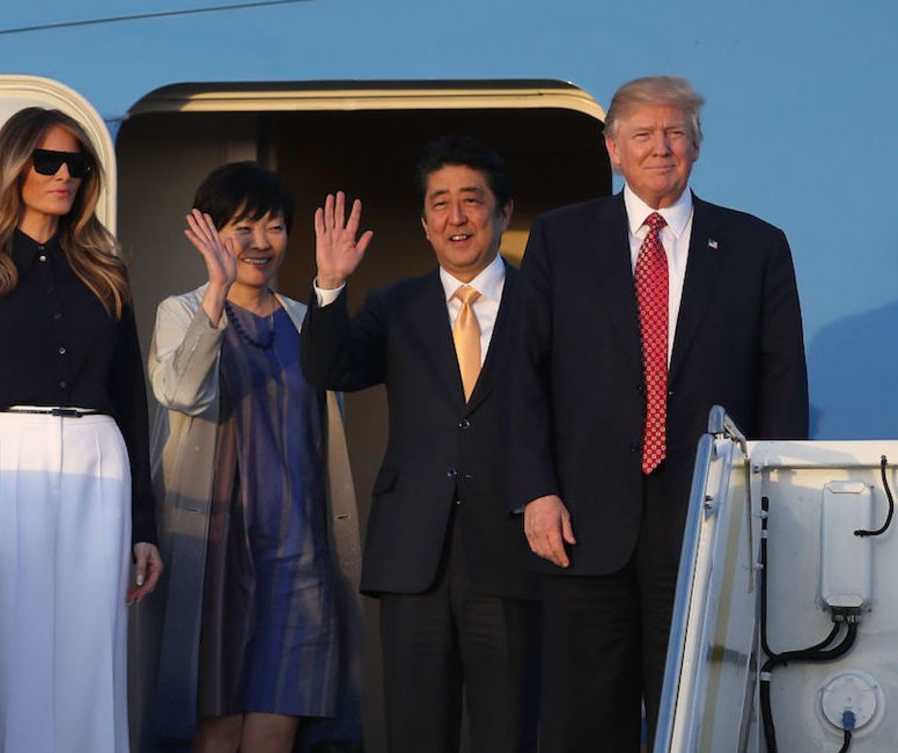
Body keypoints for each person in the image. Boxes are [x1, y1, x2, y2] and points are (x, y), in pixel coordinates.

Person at [509, 76, 809, 752]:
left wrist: (767, 515)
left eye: (675, 132)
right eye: (642, 134)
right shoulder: (560, 238)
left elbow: (781, 385)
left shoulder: (757, 247)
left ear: (696, 148)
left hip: (708, 528)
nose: (660, 147)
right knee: (583, 724)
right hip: (581, 526)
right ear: (614, 149)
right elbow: (522, 376)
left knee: (701, 721)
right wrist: (534, 489)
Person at [0, 107, 162, 753]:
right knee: (12, 636)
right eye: (49, 161)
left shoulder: (106, 266)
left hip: (99, 458)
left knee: (91, 642)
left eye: (77, 164)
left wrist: (145, 526)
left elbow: (130, 400)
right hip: (11, 460)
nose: (65, 175)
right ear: (14, 167)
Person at [301, 137, 542, 753]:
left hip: (513, 551)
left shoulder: (544, 304)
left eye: (471, 201)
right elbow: (330, 370)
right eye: (440, 204)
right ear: (425, 223)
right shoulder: (395, 305)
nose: (456, 217)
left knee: (508, 730)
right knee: (415, 730)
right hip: (414, 555)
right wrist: (328, 285)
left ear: (504, 212)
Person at [147, 162, 363, 753]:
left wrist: (333, 287)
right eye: (243, 227)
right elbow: (182, 392)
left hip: (298, 555)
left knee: (276, 731)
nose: (261, 243)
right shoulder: (182, 311)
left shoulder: (303, 318)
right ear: (210, 233)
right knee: (217, 730)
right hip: (216, 551)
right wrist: (215, 293)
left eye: (274, 227)